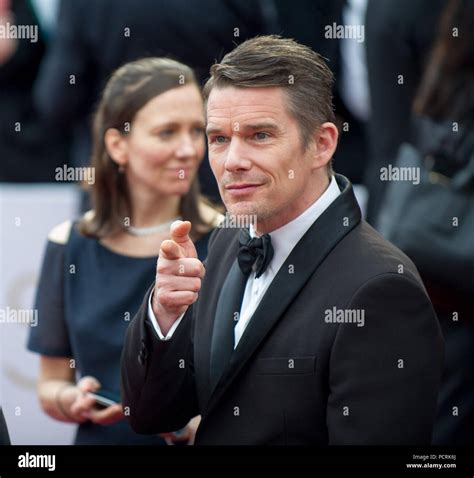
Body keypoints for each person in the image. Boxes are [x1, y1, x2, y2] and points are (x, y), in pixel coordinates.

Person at [121, 36, 444, 445]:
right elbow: (151, 414)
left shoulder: (382, 288)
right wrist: (164, 314)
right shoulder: (226, 243)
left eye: (259, 135)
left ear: (322, 144)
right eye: (219, 138)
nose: (233, 161)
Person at [28, 58, 221, 445]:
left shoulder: (226, 240)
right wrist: (74, 400)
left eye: (197, 130)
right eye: (167, 132)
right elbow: (50, 385)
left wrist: (195, 426)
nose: (188, 149)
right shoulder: (69, 243)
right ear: (118, 144)